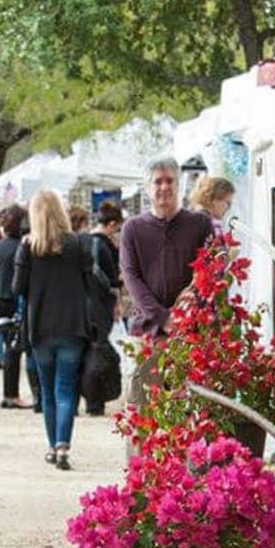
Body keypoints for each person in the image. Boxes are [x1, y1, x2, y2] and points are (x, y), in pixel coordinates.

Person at [120, 156, 213, 405]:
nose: (164, 187)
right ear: (147, 187)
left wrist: (189, 311)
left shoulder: (200, 224)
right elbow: (131, 278)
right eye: (157, 181)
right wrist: (164, 318)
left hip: (191, 334)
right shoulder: (133, 229)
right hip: (147, 334)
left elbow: (211, 270)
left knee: (190, 411)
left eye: (170, 180)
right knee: (145, 411)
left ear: (179, 183)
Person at [13, 189, 92, 471]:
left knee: (47, 391)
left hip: (40, 327)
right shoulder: (78, 244)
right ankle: (63, 445)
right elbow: (90, 280)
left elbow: (17, 288)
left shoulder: (28, 247)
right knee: (66, 390)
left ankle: (52, 445)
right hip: (73, 325)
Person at [0, 205, 34, 409]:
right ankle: (13, 394)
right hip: (16, 298)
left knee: (10, 345)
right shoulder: (24, 247)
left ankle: (10, 392)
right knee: (18, 346)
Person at [84, 199, 124, 416]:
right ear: (111, 224)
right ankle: (95, 400)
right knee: (99, 353)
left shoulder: (84, 242)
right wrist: (117, 299)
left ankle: (90, 397)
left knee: (90, 351)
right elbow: (111, 281)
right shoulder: (104, 246)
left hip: (85, 303)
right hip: (101, 305)